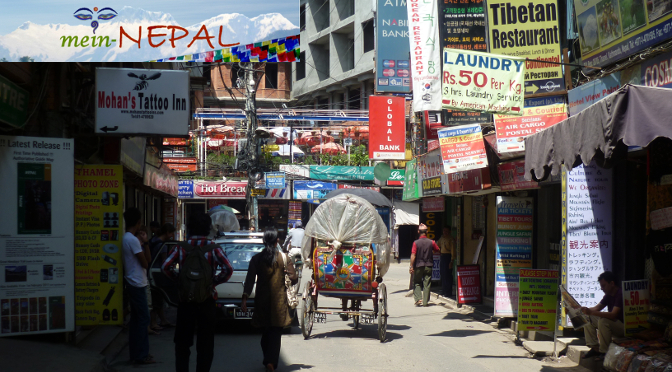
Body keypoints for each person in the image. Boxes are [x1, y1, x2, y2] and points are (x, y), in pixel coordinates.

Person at [162, 212, 233, 372]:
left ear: (189, 228)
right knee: (206, 344)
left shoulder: (181, 247)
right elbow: (228, 269)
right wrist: (212, 282)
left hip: (185, 302)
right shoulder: (214, 248)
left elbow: (165, 267)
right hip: (207, 300)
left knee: (182, 344)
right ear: (208, 228)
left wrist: (180, 281)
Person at [241, 227, 298, 372]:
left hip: (262, 302)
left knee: (265, 332)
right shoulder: (284, 258)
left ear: (263, 241)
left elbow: (249, 281)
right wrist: (287, 273)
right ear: (276, 241)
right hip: (279, 303)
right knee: (275, 333)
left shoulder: (256, 259)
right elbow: (294, 278)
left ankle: (268, 360)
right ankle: (271, 362)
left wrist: (244, 299)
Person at [122, 208, 155, 365]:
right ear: (138, 222)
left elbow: (147, 259)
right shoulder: (131, 240)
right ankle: (141, 354)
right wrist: (143, 243)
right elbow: (145, 262)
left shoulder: (129, 239)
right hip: (136, 282)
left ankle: (136, 354)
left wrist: (146, 242)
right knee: (143, 318)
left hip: (135, 281)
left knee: (137, 320)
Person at [581, 271, 624, 359]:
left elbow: (613, 315)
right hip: (614, 324)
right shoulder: (608, 295)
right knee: (587, 317)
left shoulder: (620, 294)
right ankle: (595, 348)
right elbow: (596, 308)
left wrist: (591, 312)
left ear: (612, 283)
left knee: (604, 320)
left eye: (603, 285)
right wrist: (584, 310)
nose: (601, 288)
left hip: (623, 327)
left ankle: (604, 351)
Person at [148, 223, 176, 331]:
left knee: (158, 296)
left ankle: (163, 320)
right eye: (171, 233)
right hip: (157, 273)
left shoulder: (154, 240)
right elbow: (165, 263)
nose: (172, 236)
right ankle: (153, 322)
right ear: (168, 232)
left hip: (151, 271)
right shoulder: (163, 245)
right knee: (157, 299)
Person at [410, 224, 440, 307]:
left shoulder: (415, 243)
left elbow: (413, 255)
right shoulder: (432, 242)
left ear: (418, 232)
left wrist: (411, 266)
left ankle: (419, 298)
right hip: (429, 265)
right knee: (427, 283)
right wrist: (431, 252)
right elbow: (437, 250)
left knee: (416, 282)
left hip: (419, 265)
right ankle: (425, 302)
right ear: (427, 232)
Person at [437, 226, 456, 297]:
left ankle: (448, 292)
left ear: (450, 231)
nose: (445, 232)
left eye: (446, 231)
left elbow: (453, 251)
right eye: (444, 231)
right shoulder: (442, 238)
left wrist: (451, 261)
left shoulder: (451, 239)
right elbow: (437, 245)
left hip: (448, 257)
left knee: (448, 275)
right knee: (443, 273)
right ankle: (444, 290)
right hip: (443, 256)